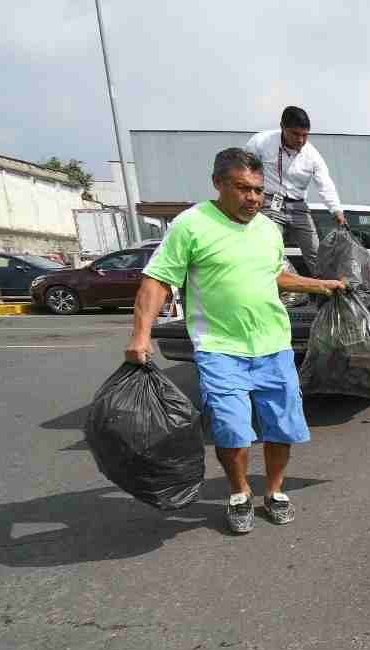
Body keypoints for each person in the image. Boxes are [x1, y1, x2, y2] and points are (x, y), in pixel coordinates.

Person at [125, 148, 346, 534]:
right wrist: (140, 335)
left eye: (259, 191)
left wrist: (319, 284)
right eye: (243, 189)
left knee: (281, 426)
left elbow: (274, 275)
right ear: (218, 184)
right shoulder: (190, 225)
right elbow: (157, 279)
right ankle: (239, 491)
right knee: (232, 430)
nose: (253, 199)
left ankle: (274, 491)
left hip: (274, 345)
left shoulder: (267, 229)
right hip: (220, 348)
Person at [244, 106, 345, 276]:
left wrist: (336, 211)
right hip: (270, 202)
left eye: (305, 135)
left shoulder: (312, 155)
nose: (300, 140)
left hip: (298, 206)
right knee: (271, 246)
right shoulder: (261, 142)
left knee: (314, 251)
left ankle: (327, 294)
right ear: (282, 127)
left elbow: (325, 184)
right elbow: (244, 169)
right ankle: (276, 288)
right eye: (295, 134)